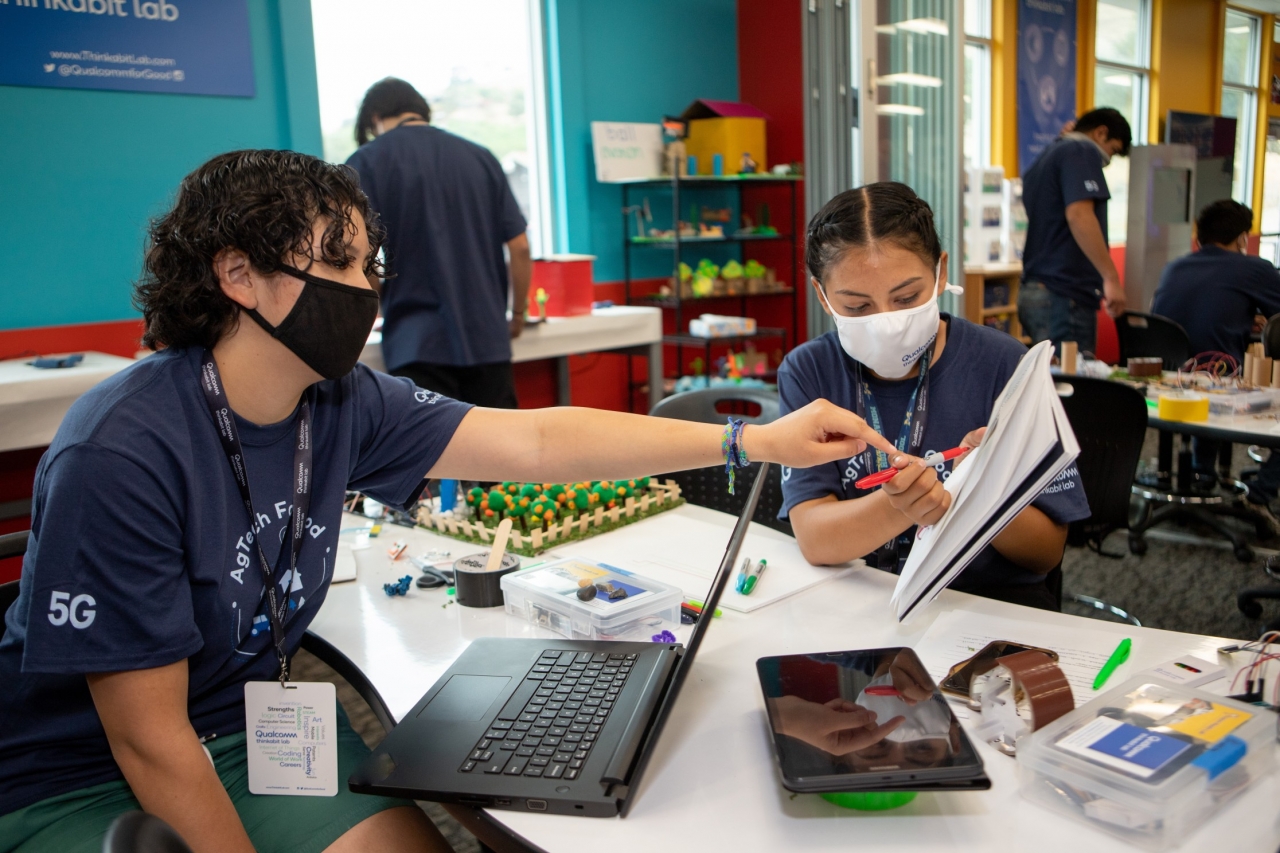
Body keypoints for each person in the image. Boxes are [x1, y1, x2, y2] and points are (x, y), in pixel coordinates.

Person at [0, 150, 895, 853]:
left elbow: (534, 443)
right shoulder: (121, 449)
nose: (369, 286)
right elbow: (147, 740)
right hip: (74, 773)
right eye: (342, 261)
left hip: (242, 729)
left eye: (370, 262)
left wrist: (750, 441)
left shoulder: (340, 398)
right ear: (238, 274)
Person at [780, 182, 1090, 611]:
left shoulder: (1004, 364)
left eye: (907, 298)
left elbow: (1045, 553)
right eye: (857, 307)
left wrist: (986, 489)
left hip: (986, 611)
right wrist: (903, 506)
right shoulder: (809, 371)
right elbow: (815, 538)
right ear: (822, 295)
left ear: (941, 273)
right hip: (860, 602)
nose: (887, 322)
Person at [346, 77, 529, 408]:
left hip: (416, 345)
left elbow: (358, 258)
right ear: (421, 111)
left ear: (375, 117)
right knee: (499, 452)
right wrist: (517, 315)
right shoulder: (481, 157)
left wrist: (368, 311)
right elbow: (520, 248)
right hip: (487, 338)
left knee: (433, 455)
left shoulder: (367, 161)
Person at [1152, 199, 1280, 517]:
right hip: (1222, 388)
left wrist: (1238, 314)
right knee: (1224, 370)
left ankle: (1203, 472)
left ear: (1200, 239)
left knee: (1209, 366)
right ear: (1241, 239)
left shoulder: (1175, 266)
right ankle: (1259, 495)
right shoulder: (1254, 268)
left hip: (1163, 387)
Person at [1019, 107, 1133, 355]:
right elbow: (1079, 215)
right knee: (1075, 386)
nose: (1109, 160)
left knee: (1051, 383)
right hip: (1064, 295)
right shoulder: (1081, 150)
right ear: (1101, 133)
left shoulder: (1046, 156)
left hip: (1037, 290)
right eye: (1112, 150)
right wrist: (1111, 278)